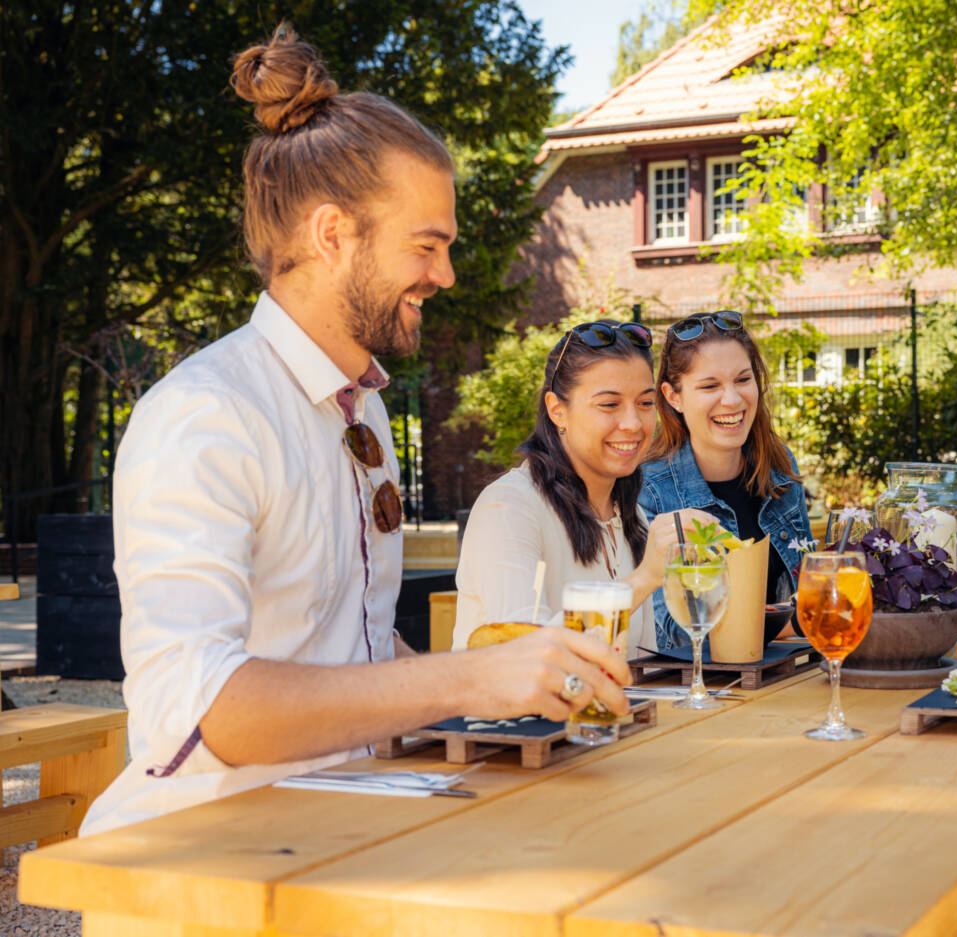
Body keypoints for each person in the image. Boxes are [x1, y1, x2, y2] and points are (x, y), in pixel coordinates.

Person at [82, 27, 629, 836]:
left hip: (352, 813)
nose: (444, 275)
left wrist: (519, 687)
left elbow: (353, 654)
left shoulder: (360, 404)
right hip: (210, 848)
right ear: (332, 233)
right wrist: (467, 681)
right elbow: (200, 707)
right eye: (427, 245)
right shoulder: (204, 415)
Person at [451, 320, 715, 653]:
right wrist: (644, 578)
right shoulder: (507, 508)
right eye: (609, 405)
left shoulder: (629, 513)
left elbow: (641, 666)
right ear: (557, 410)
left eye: (645, 404)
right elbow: (526, 651)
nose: (633, 423)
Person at [637, 310, 813, 651]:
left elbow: (810, 588)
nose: (732, 400)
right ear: (673, 397)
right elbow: (674, 633)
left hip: (788, 679)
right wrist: (794, 623)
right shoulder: (648, 489)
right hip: (701, 692)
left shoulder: (779, 467)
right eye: (709, 386)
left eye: (743, 380)